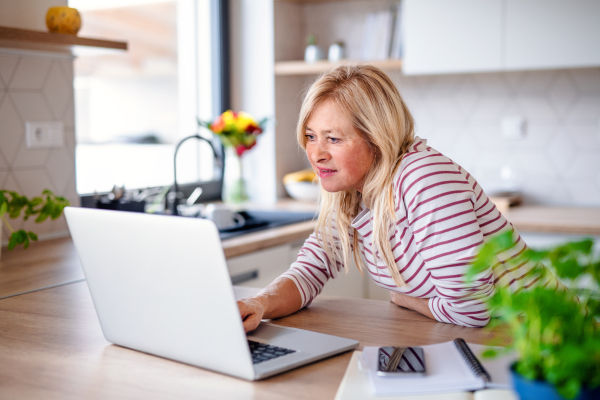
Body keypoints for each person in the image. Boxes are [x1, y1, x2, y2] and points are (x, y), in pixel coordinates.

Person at [237, 64, 566, 331]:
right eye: (311, 136)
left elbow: (472, 310)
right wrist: (260, 303)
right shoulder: (353, 194)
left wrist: (405, 300)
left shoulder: (423, 178)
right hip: (495, 341)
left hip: (550, 341)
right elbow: (309, 271)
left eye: (333, 139)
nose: (316, 154)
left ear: (376, 139)